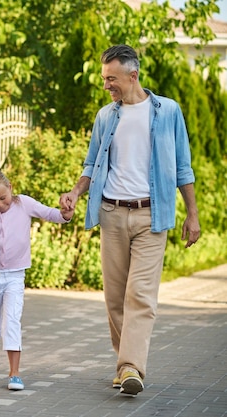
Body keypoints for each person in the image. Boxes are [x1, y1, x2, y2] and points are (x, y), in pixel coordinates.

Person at [59, 44, 201, 396]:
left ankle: (131, 367)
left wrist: (192, 215)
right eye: (105, 78)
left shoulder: (167, 111)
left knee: (140, 295)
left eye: (112, 78)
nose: (106, 84)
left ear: (133, 76)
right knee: (115, 298)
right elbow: (91, 163)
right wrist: (75, 194)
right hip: (111, 212)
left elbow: (183, 166)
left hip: (152, 215)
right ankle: (125, 366)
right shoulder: (107, 115)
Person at [0, 168, 74, 390]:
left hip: (14, 277)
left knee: (11, 321)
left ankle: (14, 373)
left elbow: (49, 213)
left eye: (3, 198)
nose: (0, 205)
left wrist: (64, 215)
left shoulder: (24, 204)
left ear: (10, 188)